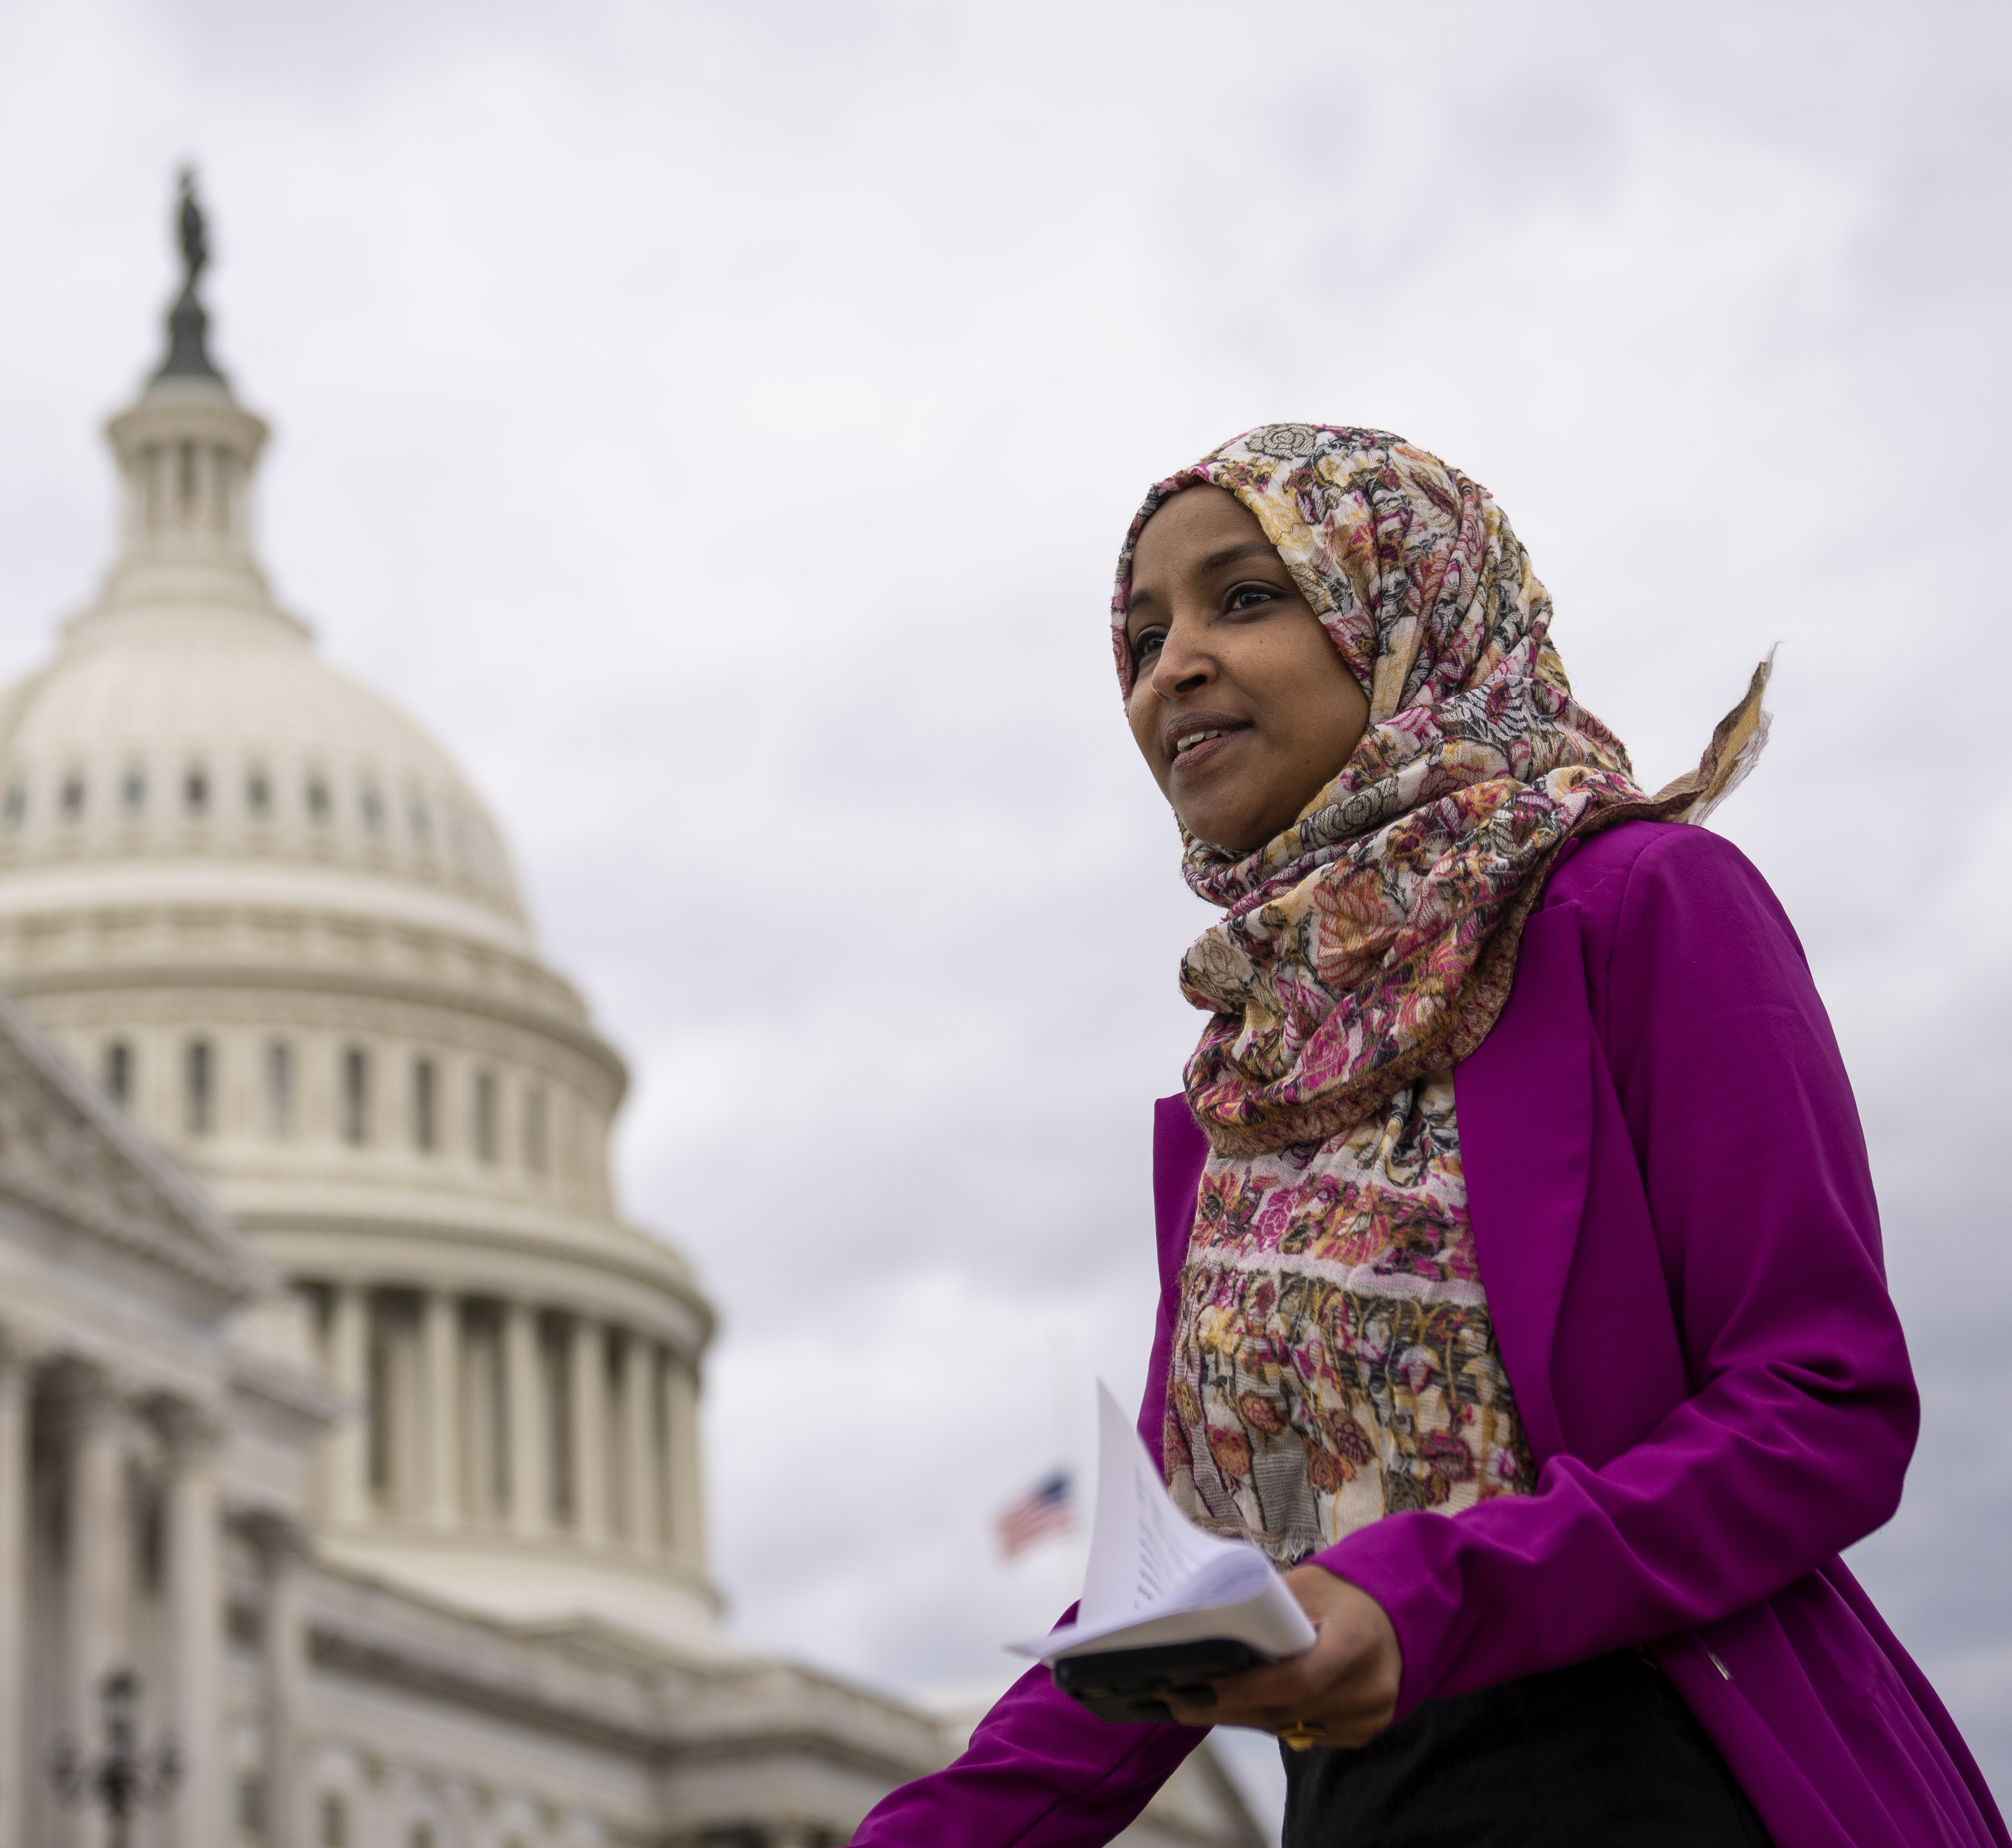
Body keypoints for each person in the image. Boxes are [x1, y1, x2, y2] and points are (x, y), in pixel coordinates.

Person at [851, 426, 2007, 1848]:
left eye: (1247, 597)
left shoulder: (1642, 904)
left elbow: (1822, 1404)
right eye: (1142, 636)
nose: (1172, 665)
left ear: (1408, 612)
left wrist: (1419, 1601)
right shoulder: (1247, 1083)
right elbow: (1180, 1597)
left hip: (1672, 1785)